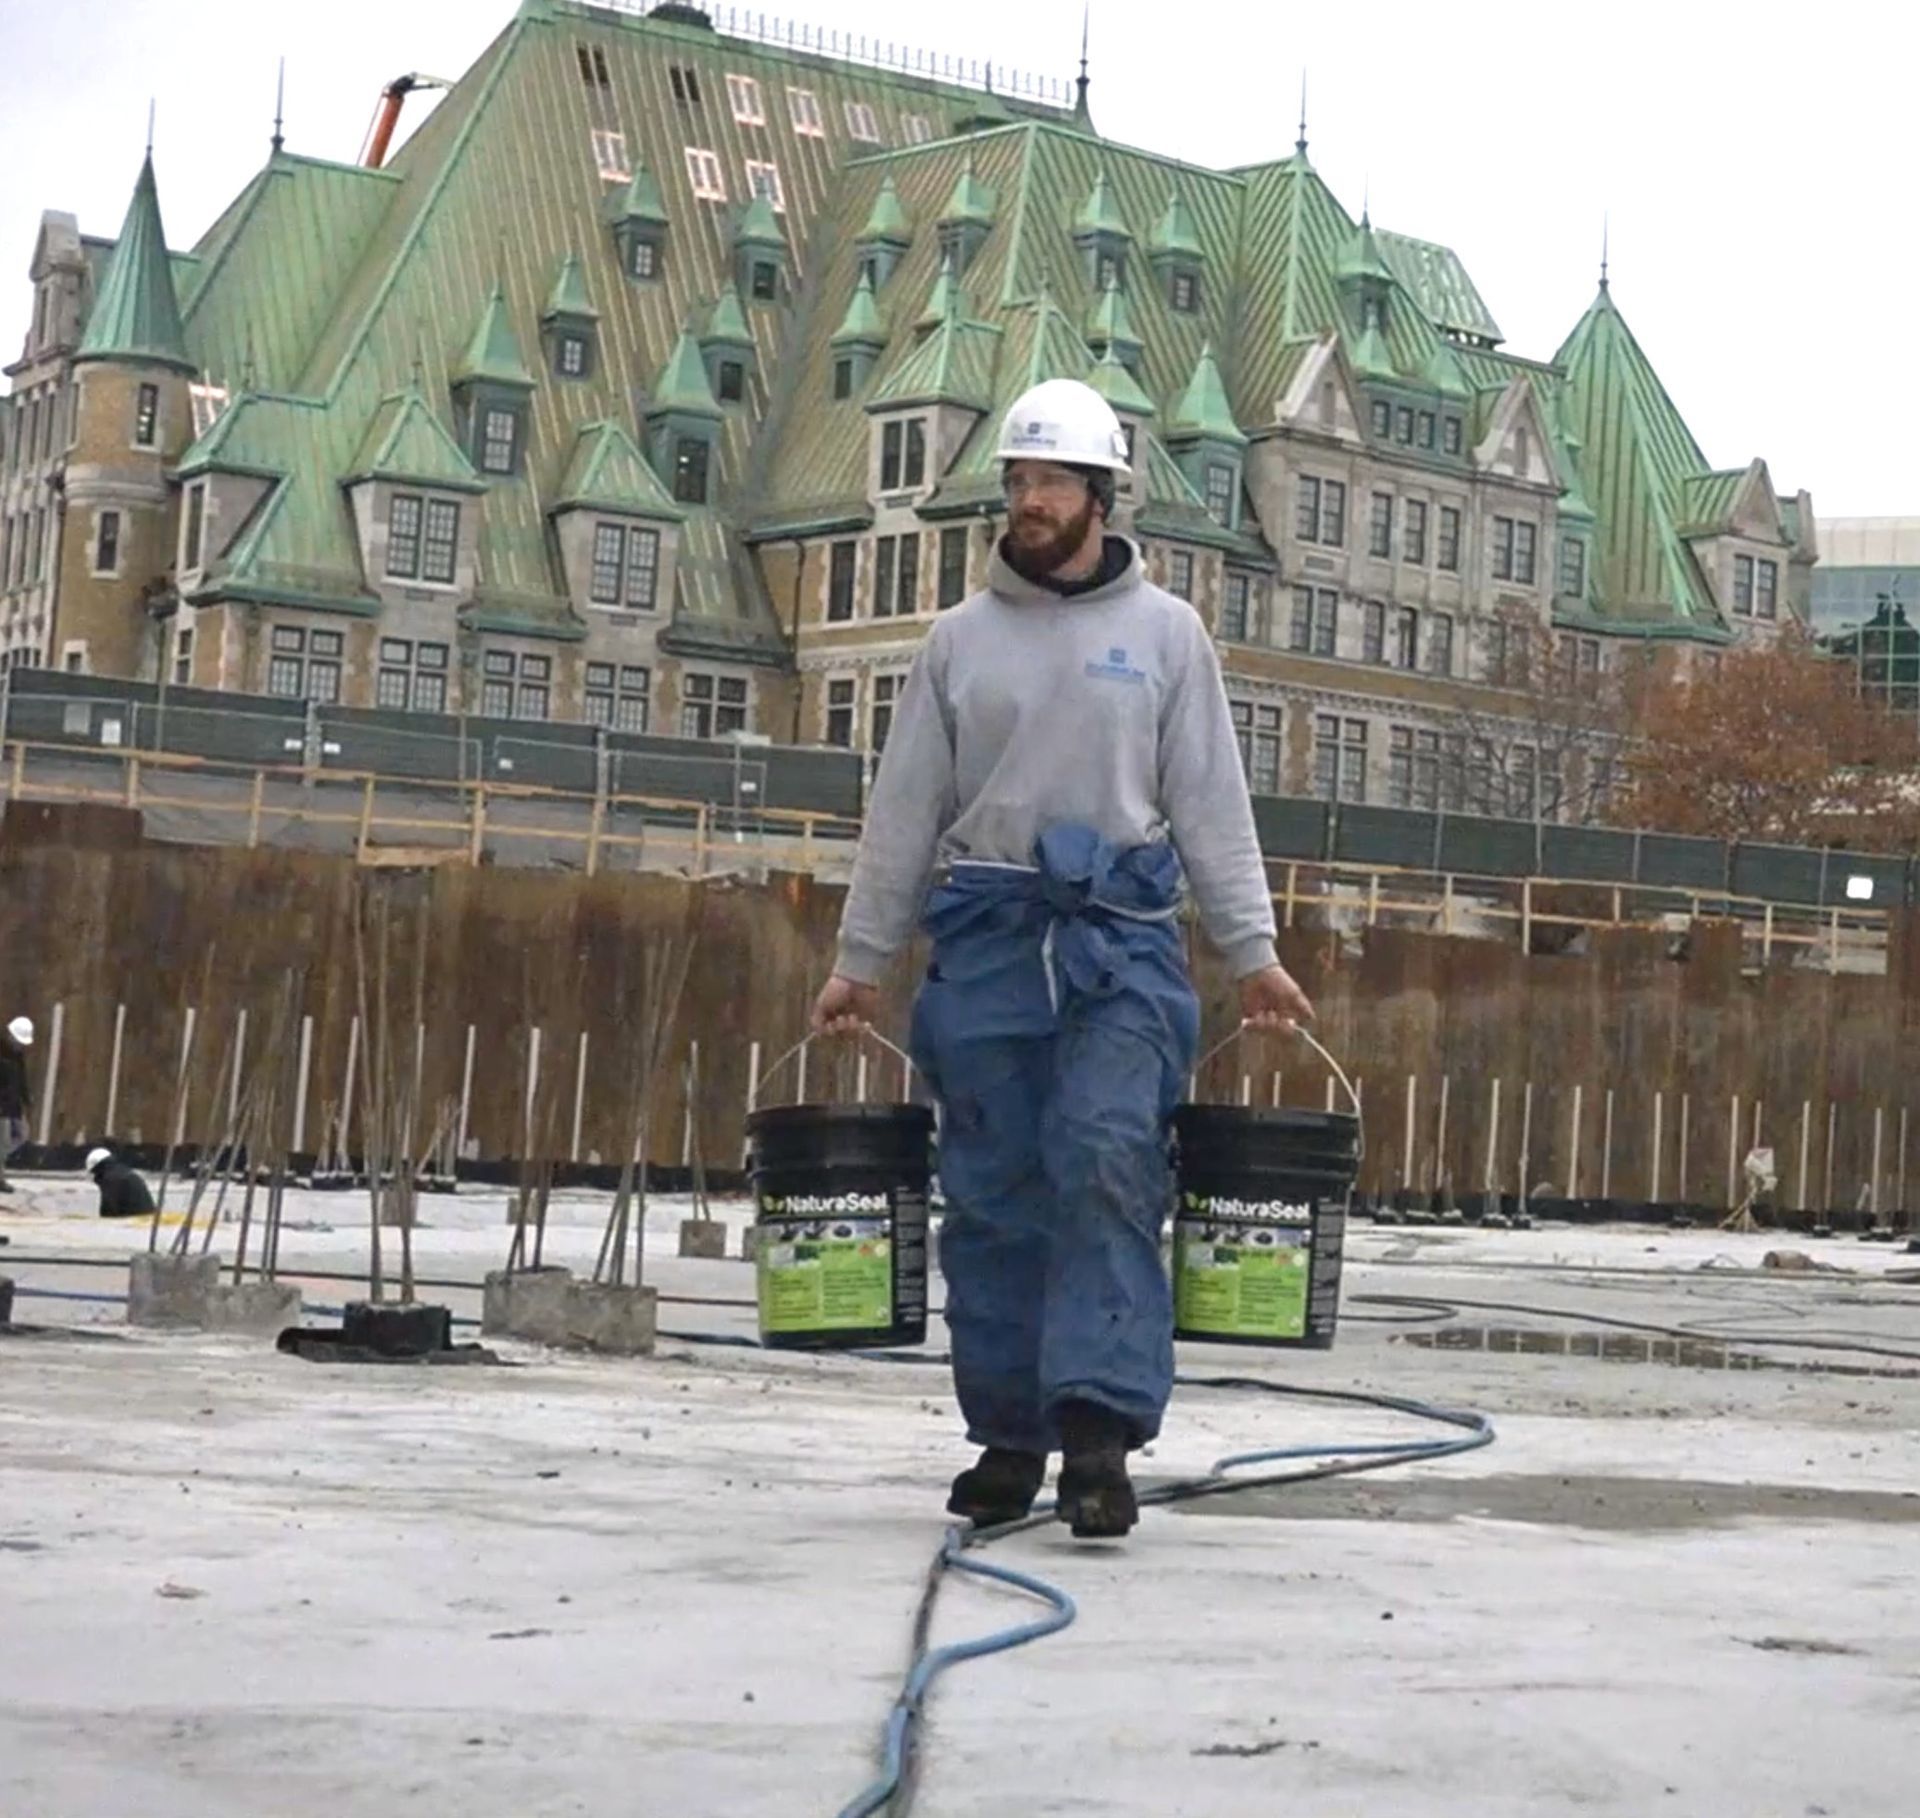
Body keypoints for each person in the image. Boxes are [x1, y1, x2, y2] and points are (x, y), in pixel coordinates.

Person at [810, 378, 1315, 1540]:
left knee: (1103, 1159)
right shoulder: (957, 643)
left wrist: (1252, 950)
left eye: (1050, 482)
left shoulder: (1166, 638)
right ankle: (1009, 1434)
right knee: (992, 1197)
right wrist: (861, 956)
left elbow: (1210, 803)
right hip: (987, 941)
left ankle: (1097, 1434)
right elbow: (904, 810)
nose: (1028, 501)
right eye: (1018, 481)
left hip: (1121, 949)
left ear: (1100, 496)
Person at [0, 1014, 32, 1194]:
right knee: (2, 1143)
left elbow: (21, 1078)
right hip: (1, 1106)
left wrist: (26, 1098)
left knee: (21, 1136)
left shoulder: (18, 1056)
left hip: (14, 1104)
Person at [86, 1146, 156, 1219]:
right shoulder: (125, 1172)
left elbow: (109, 1211)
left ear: (97, 1169)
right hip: (147, 1219)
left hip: (131, 1222)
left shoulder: (110, 1179)